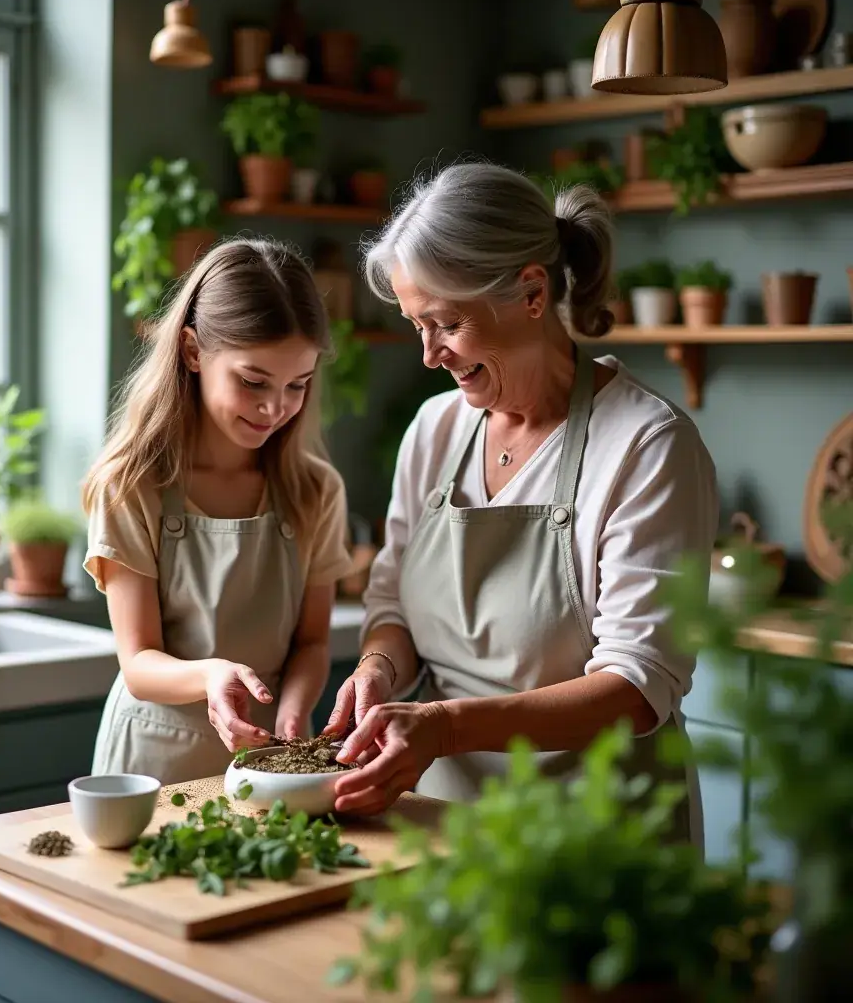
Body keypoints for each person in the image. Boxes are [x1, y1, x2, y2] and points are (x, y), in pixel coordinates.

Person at [324, 162, 718, 843]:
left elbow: (635, 685)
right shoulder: (435, 431)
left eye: (446, 322)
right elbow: (391, 601)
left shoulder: (646, 447)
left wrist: (445, 727)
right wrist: (378, 668)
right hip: (440, 826)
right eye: (416, 324)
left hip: (596, 838)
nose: (428, 355)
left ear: (532, 293)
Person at [83, 238, 353, 784]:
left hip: (268, 758)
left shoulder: (315, 490)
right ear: (192, 351)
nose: (275, 407)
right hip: (154, 763)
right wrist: (213, 675)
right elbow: (138, 665)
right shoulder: (132, 485)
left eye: (297, 384)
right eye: (253, 381)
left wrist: (294, 712)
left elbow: (312, 642)